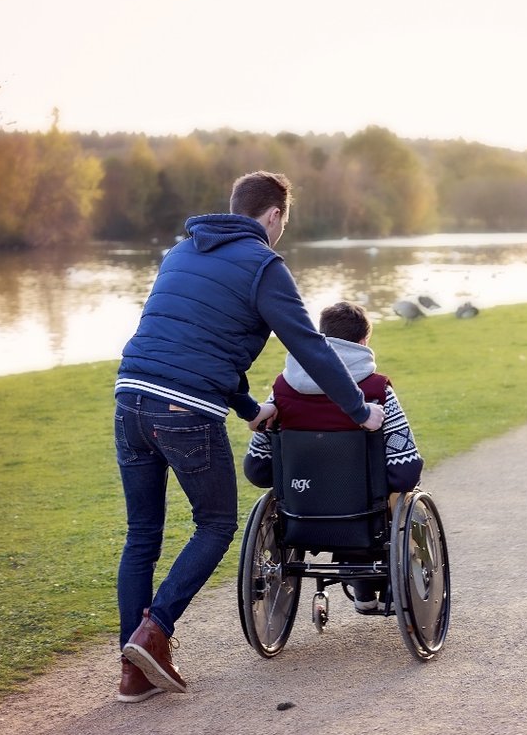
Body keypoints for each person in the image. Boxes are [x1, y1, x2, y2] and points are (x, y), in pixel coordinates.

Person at [112, 172, 385, 703]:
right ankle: (155, 629)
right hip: (184, 411)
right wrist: (358, 411)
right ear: (275, 215)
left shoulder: (180, 252)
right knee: (215, 525)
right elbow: (310, 345)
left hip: (129, 400)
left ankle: (133, 670)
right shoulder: (264, 265)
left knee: (141, 535)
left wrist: (249, 409)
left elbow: (191, 341)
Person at [244, 300, 423, 611]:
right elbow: (405, 471)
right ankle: (374, 591)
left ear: (321, 336)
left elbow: (257, 469)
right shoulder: (376, 389)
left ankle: (363, 592)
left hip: (300, 509)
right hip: (362, 514)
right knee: (395, 498)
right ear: (364, 341)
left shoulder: (283, 388)